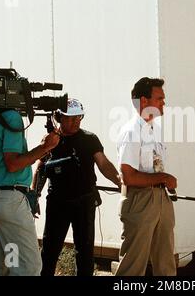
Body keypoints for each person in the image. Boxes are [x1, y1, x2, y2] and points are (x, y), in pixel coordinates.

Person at [38, 98, 121, 276]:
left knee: (84, 252)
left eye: (79, 117)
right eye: (70, 118)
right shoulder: (51, 140)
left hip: (84, 202)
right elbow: (41, 167)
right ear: (59, 117)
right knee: (50, 250)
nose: (75, 122)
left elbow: (104, 164)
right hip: (57, 202)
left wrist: (121, 182)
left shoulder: (89, 139)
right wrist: (33, 195)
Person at [0, 109, 60, 276]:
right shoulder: (12, 117)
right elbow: (13, 164)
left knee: (4, 263)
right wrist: (45, 147)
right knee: (29, 267)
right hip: (11, 202)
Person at [115, 77, 177, 276]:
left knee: (166, 262)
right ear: (144, 101)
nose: (163, 103)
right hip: (140, 200)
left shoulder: (156, 130)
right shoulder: (131, 132)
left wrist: (164, 182)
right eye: (159, 98)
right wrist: (163, 178)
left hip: (161, 199)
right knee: (133, 266)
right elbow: (128, 176)